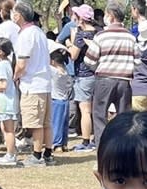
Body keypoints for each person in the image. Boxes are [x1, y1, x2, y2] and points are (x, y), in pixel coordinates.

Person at [84, 2, 139, 144]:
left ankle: (103, 153)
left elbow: (89, 60)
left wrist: (99, 66)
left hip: (104, 80)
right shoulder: (131, 37)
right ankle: (123, 151)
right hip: (124, 81)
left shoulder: (101, 36)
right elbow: (138, 61)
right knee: (125, 119)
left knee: (99, 117)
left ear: (111, 16)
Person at [12, 1, 54, 166]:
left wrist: (15, 76)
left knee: (35, 123)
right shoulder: (39, 32)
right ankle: (48, 154)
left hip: (32, 84)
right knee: (46, 122)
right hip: (45, 83)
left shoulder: (26, 34)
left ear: (19, 16)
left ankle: (37, 156)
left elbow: (22, 63)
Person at [67, 3, 100, 151]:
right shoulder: (99, 32)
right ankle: (96, 137)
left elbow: (74, 55)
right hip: (98, 74)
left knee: (85, 109)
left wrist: (69, 43)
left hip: (84, 75)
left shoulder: (81, 35)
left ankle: (86, 141)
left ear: (81, 18)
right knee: (96, 109)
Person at [0, 37, 20, 165]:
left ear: (1, 51)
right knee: (6, 128)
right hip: (9, 100)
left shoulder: (2, 65)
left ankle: (10, 154)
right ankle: (10, 153)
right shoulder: (8, 63)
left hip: (5, 101)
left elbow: (3, 85)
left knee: (8, 130)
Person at [48, 42, 73, 151]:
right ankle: (64, 143)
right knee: (64, 123)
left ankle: (56, 143)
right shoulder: (66, 71)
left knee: (56, 123)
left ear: (52, 61)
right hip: (65, 100)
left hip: (56, 100)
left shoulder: (53, 71)